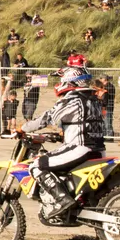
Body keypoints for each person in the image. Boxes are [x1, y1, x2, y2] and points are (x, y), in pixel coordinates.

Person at [18, 66, 104, 220]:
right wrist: (61, 135)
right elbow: (82, 123)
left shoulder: (73, 98)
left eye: (60, 79)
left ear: (69, 80)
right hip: (98, 150)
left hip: (80, 148)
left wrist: (23, 128)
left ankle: (62, 200)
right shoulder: (93, 100)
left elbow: (48, 117)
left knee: (36, 165)